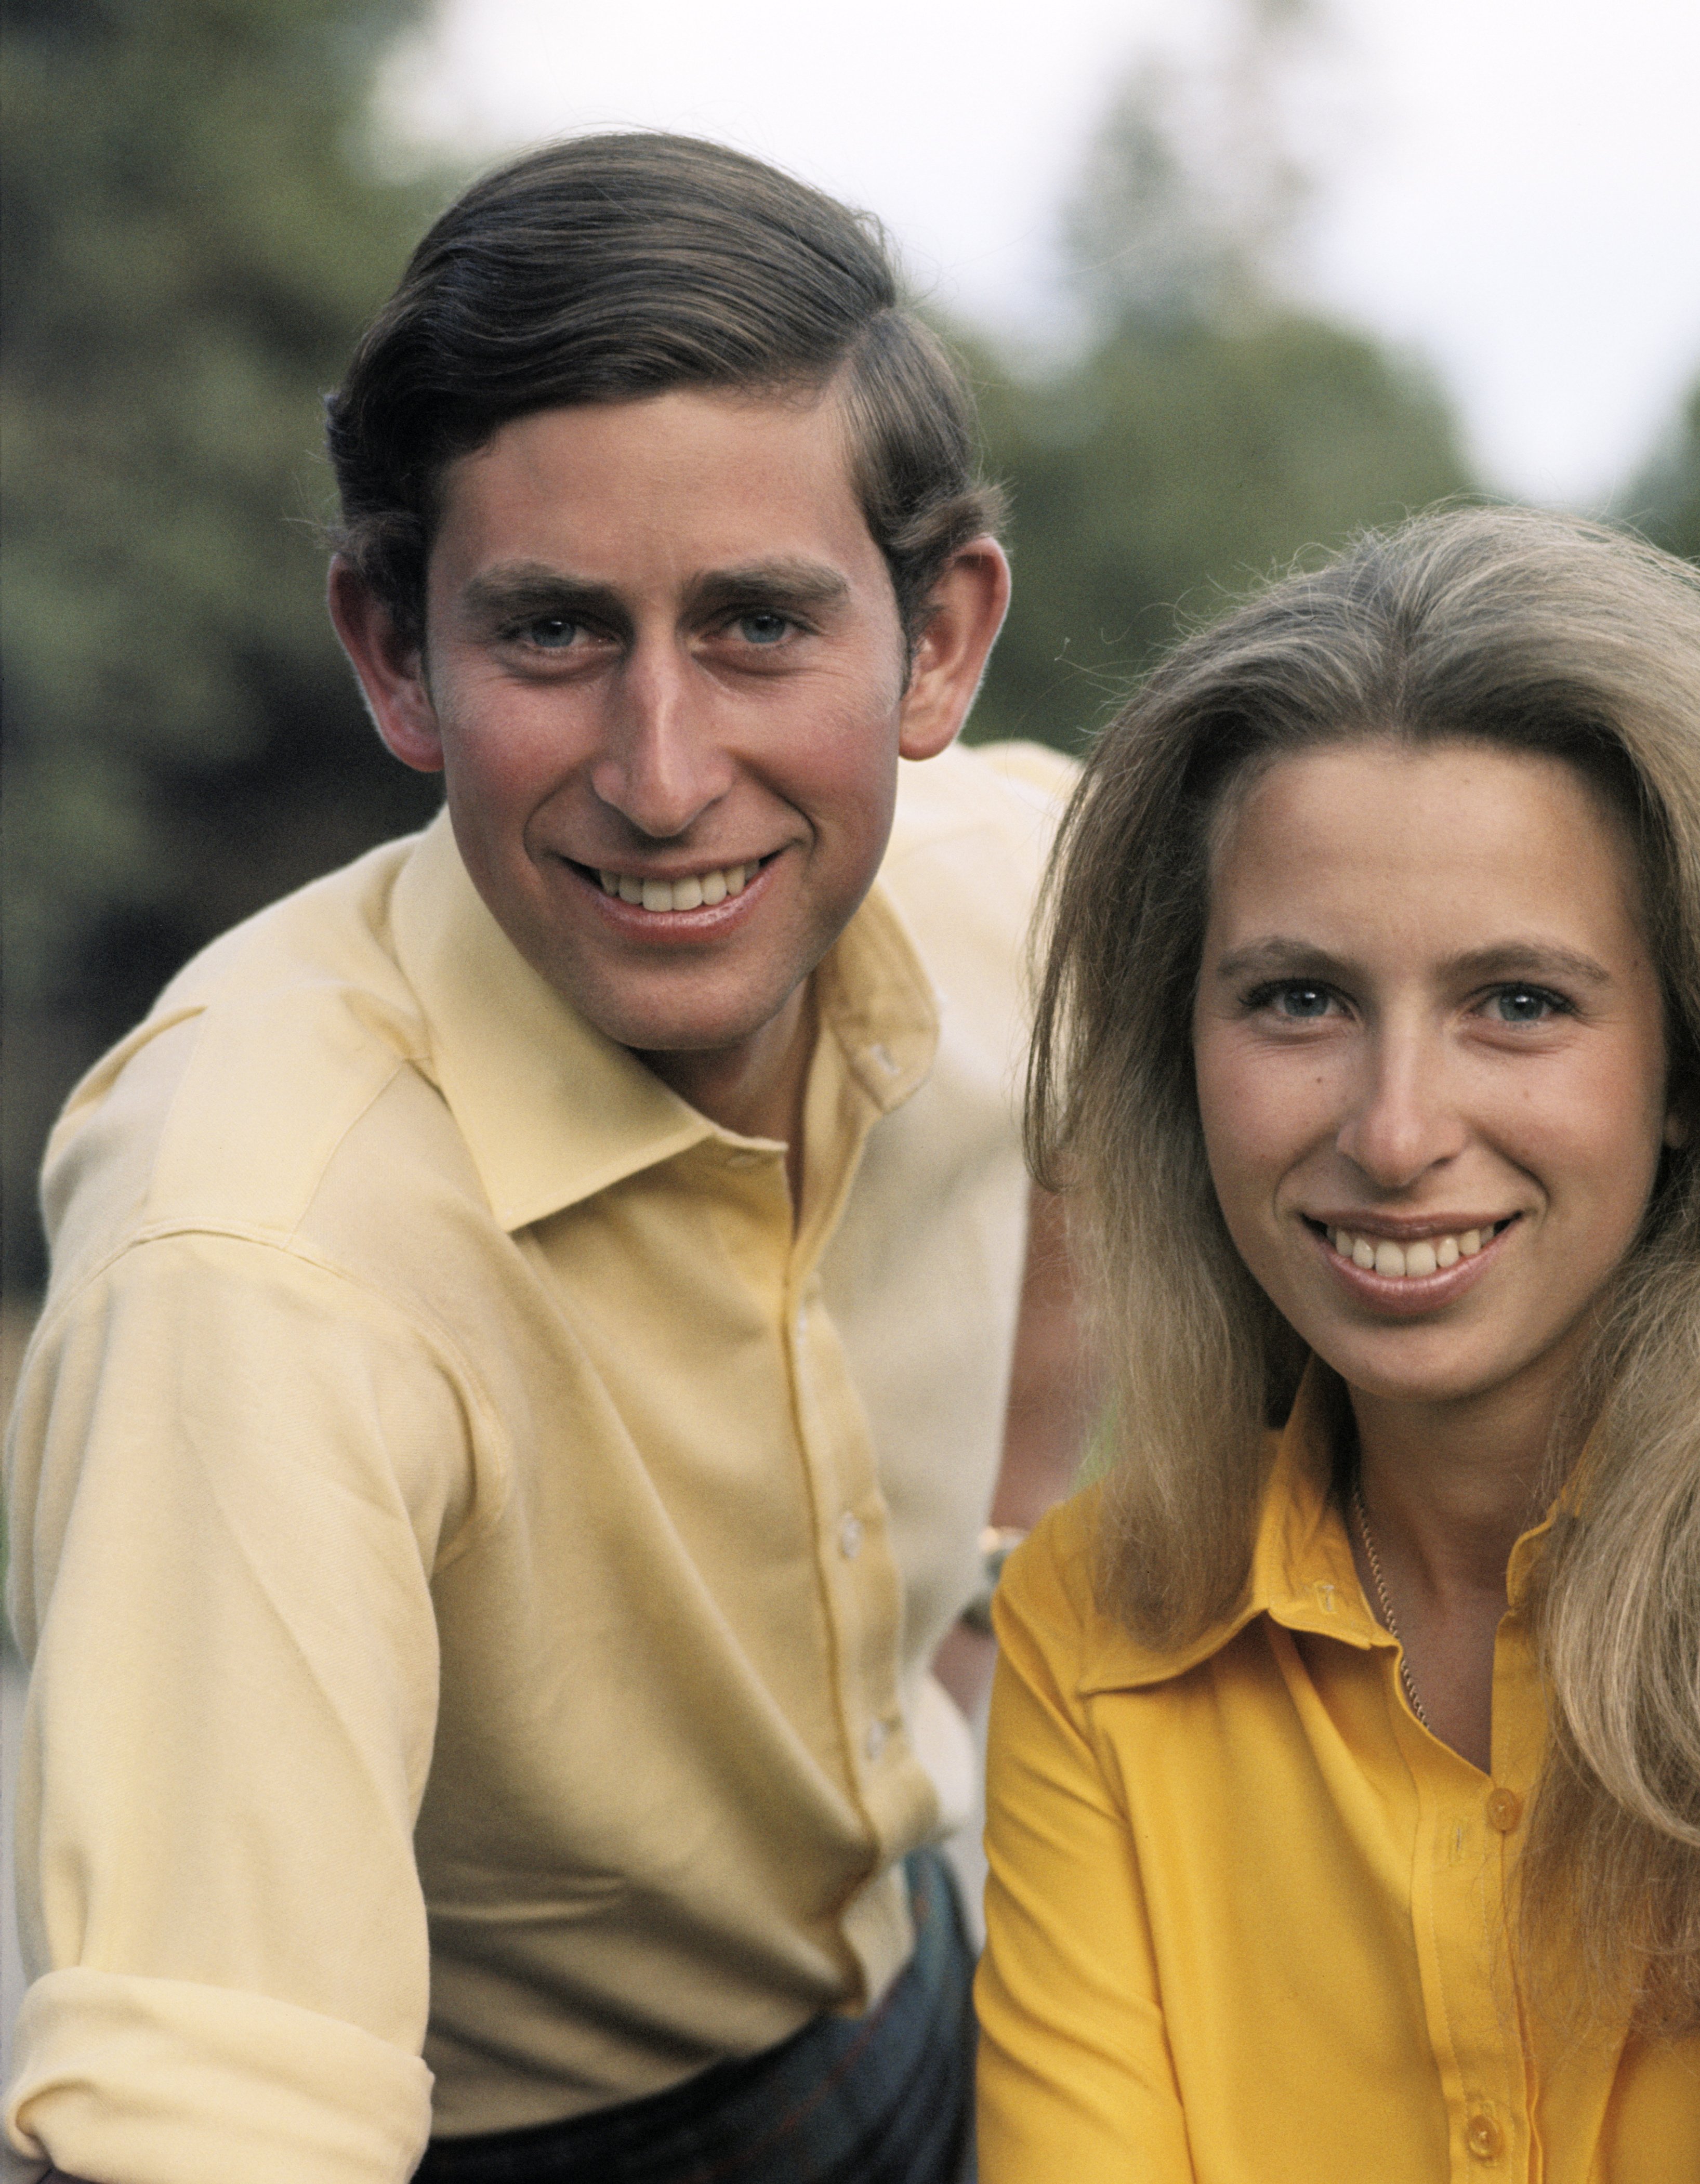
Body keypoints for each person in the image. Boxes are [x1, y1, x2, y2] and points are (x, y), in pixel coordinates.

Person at [5, 133, 1088, 2184]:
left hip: (944, 1978)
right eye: (556, 634)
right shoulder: (254, 1244)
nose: (665, 775)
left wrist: (999, 1568)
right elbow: (201, 2125)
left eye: (761, 626)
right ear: (397, 652)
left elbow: (1147, 1083)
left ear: (938, 642)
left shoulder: (1010, 885)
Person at [977, 506, 1700, 2181]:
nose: (1395, 1130)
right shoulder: (1096, 1622)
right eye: (1299, 997)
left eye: (1519, 1002)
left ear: (1695, 1056)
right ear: (1184, 1052)